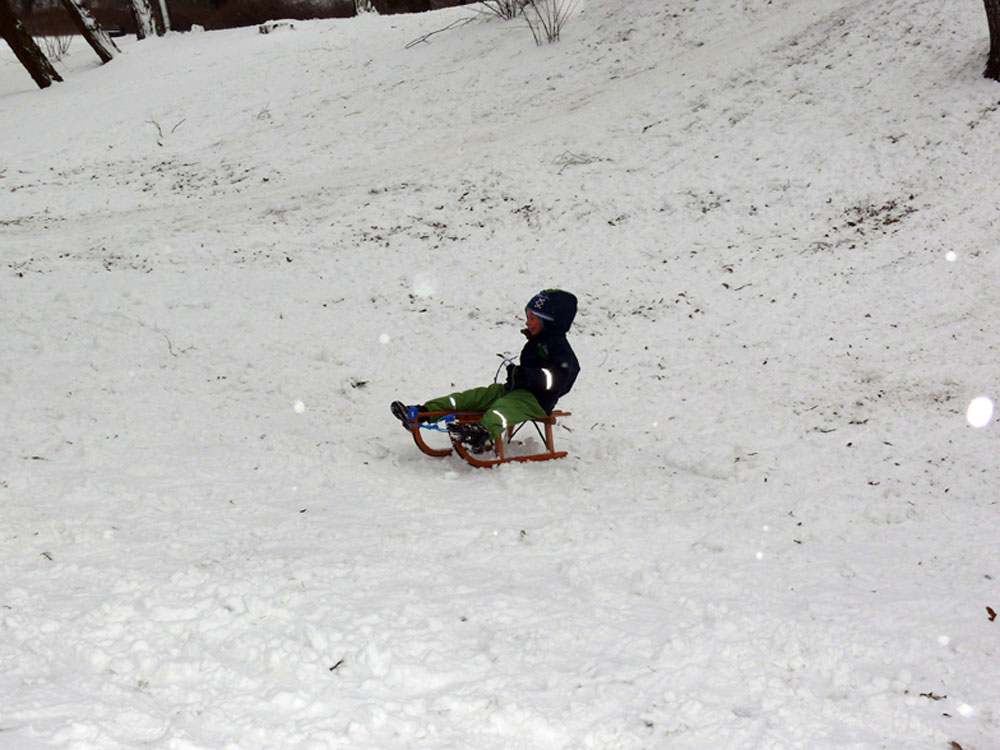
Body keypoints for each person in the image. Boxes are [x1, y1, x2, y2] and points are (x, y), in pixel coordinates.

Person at [392, 289, 580, 454]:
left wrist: (526, 375)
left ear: (548, 322)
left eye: (533, 318)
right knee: (474, 397)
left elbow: (561, 378)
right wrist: (517, 373)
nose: (527, 322)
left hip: (537, 400)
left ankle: (480, 432)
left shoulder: (558, 347)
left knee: (504, 409)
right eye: (527, 317)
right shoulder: (536, 342)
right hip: (514, 390)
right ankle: (423, 412)